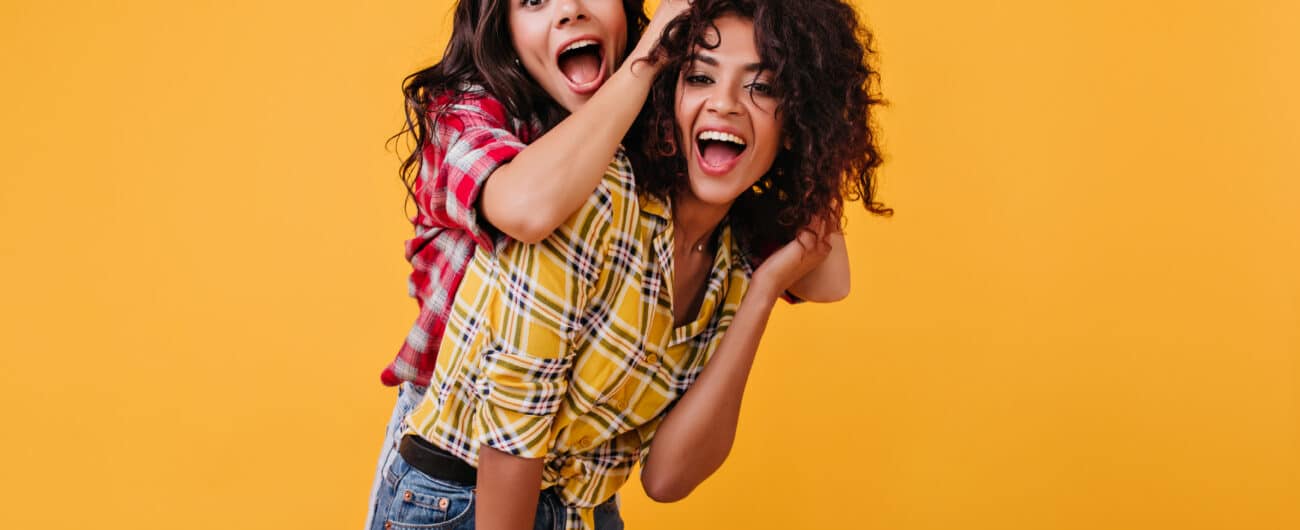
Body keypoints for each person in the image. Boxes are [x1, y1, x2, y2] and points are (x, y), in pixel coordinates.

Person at [371, 0, 890, 528]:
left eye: (763, 86)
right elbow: (511, 434)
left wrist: (766, 285)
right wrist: (650, 56)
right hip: (463, 495)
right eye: (700, 77)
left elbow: (667, 478)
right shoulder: (579, 186)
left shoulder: (735, 254)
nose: (726, 105)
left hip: (583, 504)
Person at [365, 1, 692, 528]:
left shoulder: (657, 120)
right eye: (534, 0)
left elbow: (822, 271)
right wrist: (646, 60)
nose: (569, 10)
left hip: (575, 479)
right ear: (506, 30)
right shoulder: (464, 114)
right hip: (457, 474)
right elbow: (528, 209)